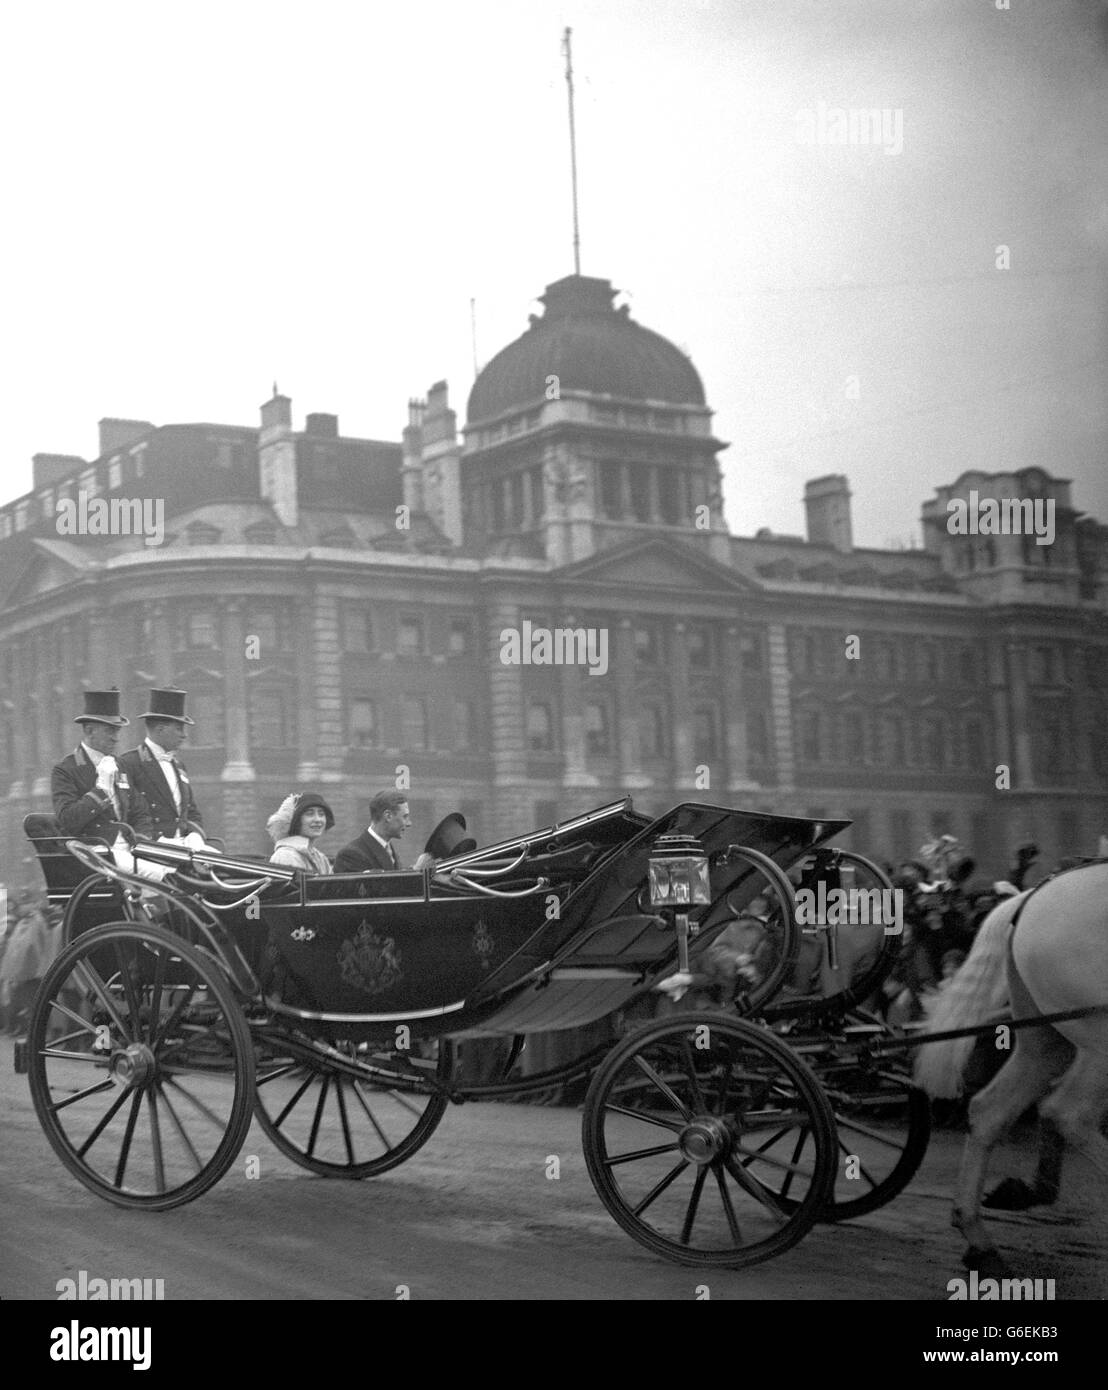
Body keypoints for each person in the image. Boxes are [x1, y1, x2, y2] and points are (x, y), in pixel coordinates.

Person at [51, 689, 153, 846]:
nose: (116, 738)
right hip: (94, 851)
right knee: (160, 872)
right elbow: (67, 821)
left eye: (117, 731)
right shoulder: (65, 770)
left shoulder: (121, 765)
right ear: (89, 731)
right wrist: (102, 790)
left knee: (173, 867)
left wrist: (140, 844)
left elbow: (140, 812)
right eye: (110, 731)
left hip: (128, 848)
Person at [118, 687, 213, 851]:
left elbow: (191, 812)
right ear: (160, 729)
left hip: (185, 847)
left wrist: (195, 836)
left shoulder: (178, 765)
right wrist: (154, 841)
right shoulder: (129, 763)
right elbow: (126, 813)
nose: (184, 735)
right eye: (179, 728)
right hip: (150, 847)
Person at [333, 791, 434, 873]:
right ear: (388, 816)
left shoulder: (390, 852)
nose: (409, 823)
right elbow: (383, 892)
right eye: (405, 817)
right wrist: (417, 871)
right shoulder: (351, 855)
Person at [267, 792, 335, 874]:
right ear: (295, 820)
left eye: (321, 814)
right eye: (310, 814)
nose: (318, 820)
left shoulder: (320, 858)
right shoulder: (287, 856)